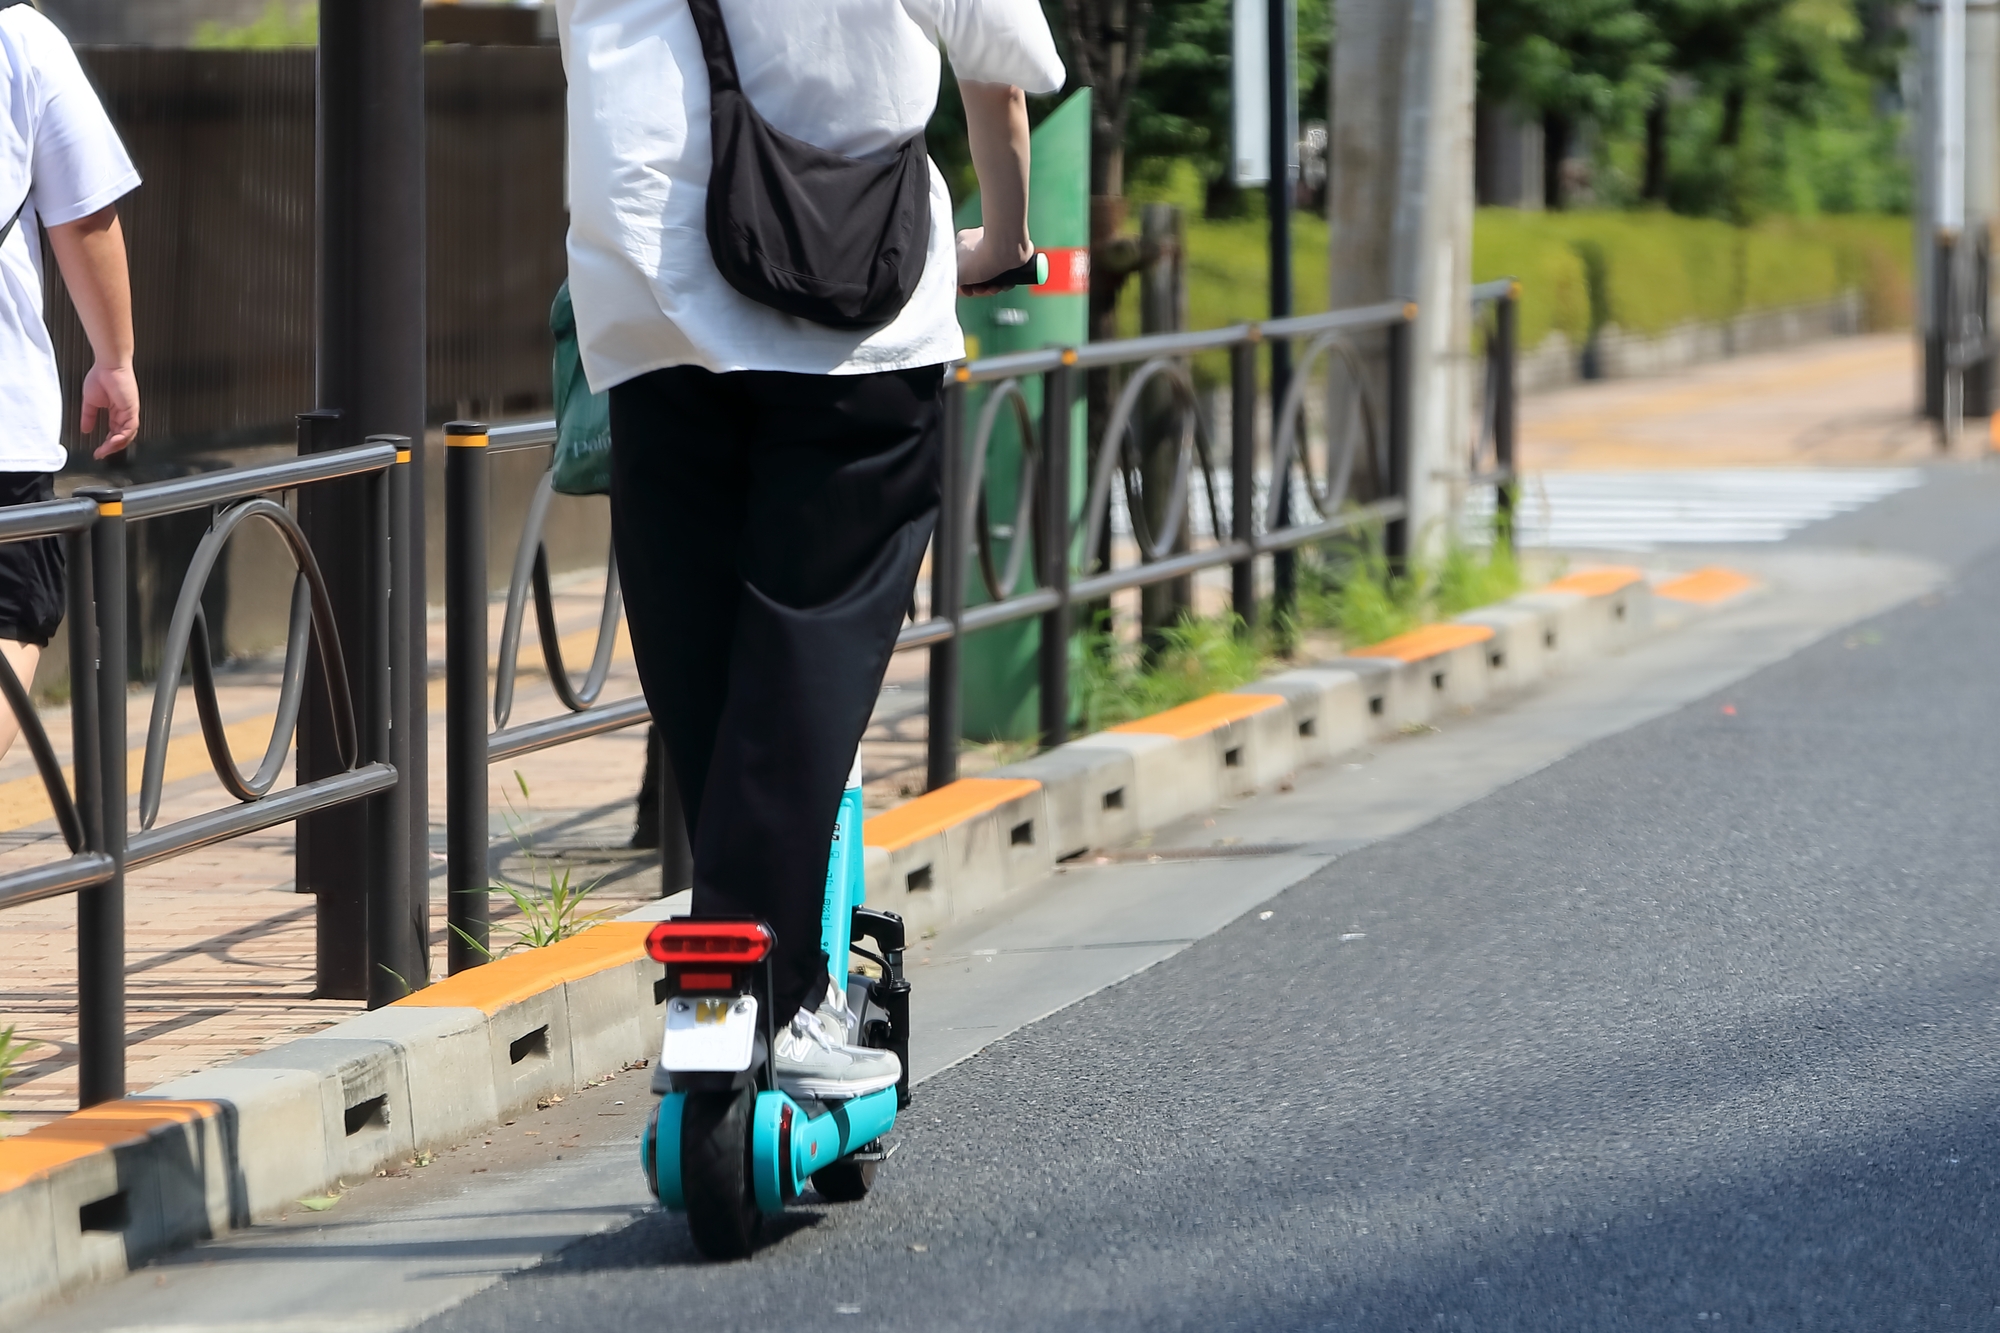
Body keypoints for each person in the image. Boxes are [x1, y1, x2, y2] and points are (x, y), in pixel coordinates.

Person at [555, 0, 1061, 1096]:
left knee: (694, 636)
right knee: (812, 623)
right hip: (856, 306)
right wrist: (1004, 240)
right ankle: (768, 992)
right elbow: (1007, 65)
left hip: (649, 299)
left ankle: (726, 961)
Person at [0, 4, 140, 761]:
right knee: (12, 612)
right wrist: (113, 359)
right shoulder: (19, 38)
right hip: (2, 411)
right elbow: (85, 216)